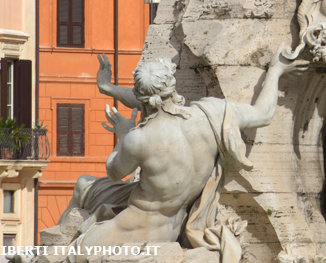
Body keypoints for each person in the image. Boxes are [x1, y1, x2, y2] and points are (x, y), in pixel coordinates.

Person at [61, 47, 306, 263]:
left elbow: (113, 172)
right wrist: (275, 70)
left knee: (73, 227)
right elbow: (262, 114)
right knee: (87, 188)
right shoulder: (211, 116)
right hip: (171, 229)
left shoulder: (139, 139)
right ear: (172, 87)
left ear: (141, 99)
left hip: (130, 231)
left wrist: (123, 134)